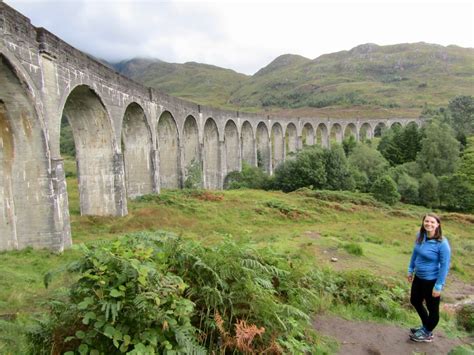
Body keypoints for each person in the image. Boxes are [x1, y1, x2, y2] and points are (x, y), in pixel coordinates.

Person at [407, 213, 451, 342]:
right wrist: (410, 270)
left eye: (432, 222)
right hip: (418, 277)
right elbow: (415, 253)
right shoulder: (420, 236)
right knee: (415, 301)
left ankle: (427, 332)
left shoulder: (442, 243)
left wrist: (438, 286)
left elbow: (444, 266)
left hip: (432, 280)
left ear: (438, 225)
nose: (429, 224)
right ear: (423, 222)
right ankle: (426, 327)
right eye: (427, 221)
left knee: (433, 309)